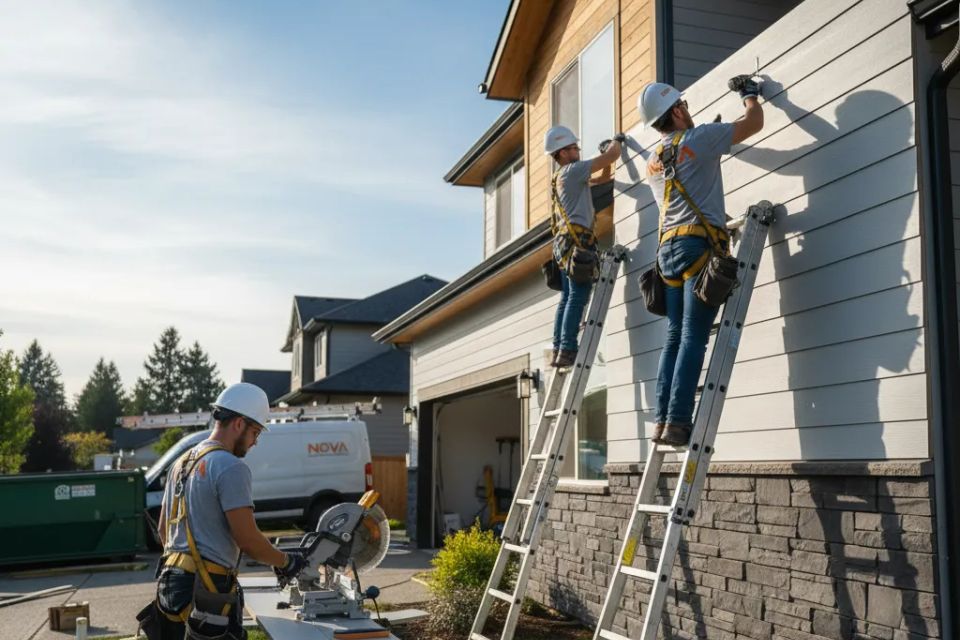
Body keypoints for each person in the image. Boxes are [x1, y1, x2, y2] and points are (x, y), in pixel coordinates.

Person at [639, 77, 764, 446]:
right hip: (698, 245)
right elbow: (753, 124)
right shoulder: (701, 138)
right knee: (693, 336)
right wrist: (750, 95)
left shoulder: (652, 161)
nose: (689, 111)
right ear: (676, 111)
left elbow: (686, 166)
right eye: (685, 107)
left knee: (674, 337)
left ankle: (663, 421)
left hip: (667, 253)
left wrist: (710, 135)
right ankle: (678, 421)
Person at [137, 382, 307, 640]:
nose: (255, 442)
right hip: (205, 590)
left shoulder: (181, 463)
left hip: (170, 585)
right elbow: (248, 541)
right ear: (239, 423)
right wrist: (286, 561)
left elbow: (164, 530)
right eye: (255, 433)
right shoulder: (230, 467)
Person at [545, 125, 624, 368]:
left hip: (565, 243)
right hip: (577, 241)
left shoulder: (563, 177)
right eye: (573, 148)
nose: (577, 151)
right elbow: (611, 156)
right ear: (561, 153)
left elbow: (603, 176)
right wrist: (617, 141)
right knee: (578, 295)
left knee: (568, 297)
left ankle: (560, 347)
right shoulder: (571, 171)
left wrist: (607, 158)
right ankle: (568, 348)